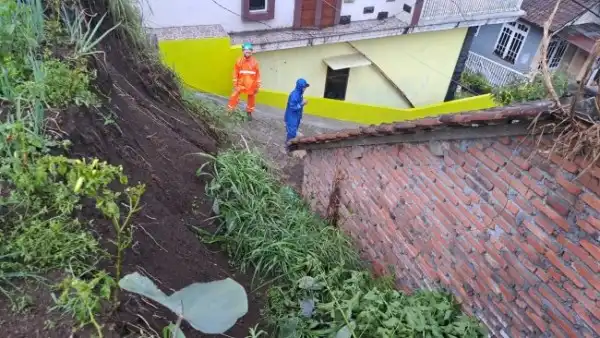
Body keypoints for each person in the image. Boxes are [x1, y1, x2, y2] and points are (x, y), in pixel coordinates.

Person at [227, 42, 261, 120]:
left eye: (249, 51)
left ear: (252, 52)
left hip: (251, 84)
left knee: (251, 99)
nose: (248, 53)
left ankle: (249, 112)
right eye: (246, 51)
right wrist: (235, 84)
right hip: (240, 83)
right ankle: (229, 111)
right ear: (243, 51)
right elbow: (235, 72)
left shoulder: (255, 62)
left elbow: (258, 75)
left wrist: (257, 86)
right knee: (234, 96)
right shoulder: (239, 61)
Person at [284, 78, 310, 150]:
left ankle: (291, 144)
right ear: (300, 87)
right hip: (291, 117)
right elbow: (292, 107)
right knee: (291, 132)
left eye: (305, 87)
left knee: (294, 131)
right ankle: (288, 147)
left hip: (296, 116)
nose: (305, 89)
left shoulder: (300, 94)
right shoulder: (294, 95)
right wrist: (302, 103)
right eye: (304, 87)